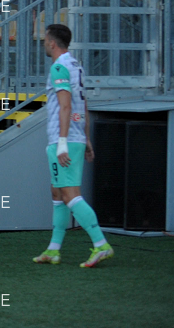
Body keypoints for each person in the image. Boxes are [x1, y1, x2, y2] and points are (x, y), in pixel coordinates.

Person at [32, 24, 114, 268]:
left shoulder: (59, 67)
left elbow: (66, 105)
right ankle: (53, 250)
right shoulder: (76, 65)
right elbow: (83, 104)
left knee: (69, 194)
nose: (44, 43)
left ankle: (101, 244)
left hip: (64, 139)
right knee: (57, 193)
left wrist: (62, 142)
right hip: (75, 136)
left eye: (45, 39)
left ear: (52, 43)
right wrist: (86, 138)